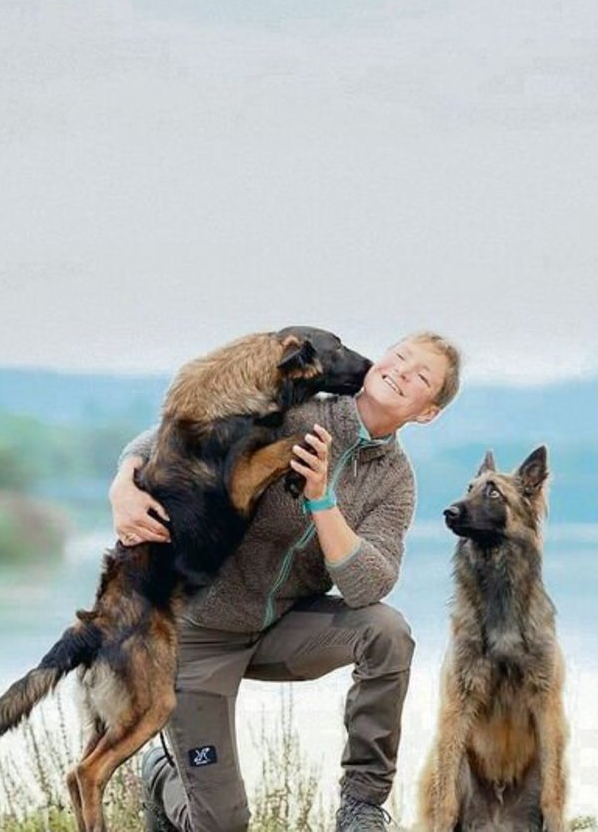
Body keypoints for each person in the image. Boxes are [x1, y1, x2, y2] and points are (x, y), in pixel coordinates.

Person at [109, 331, 461, 832]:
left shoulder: (395, 481)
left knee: (386, 631)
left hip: (281, 627)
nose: (402, 371)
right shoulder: (298, 411)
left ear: (427, 412)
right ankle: (163, 774)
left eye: (421, 376)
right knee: (221, 824)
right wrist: (124, 483)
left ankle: (362, 804)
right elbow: (176, 430)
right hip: (198, 634)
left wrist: (323, 499)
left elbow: (368, 586)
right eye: (400, 356)